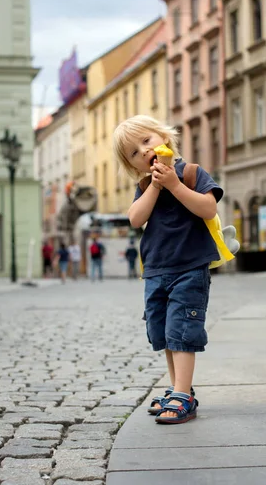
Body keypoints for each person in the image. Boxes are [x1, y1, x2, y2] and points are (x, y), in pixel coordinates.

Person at [113, 115, 223, 425]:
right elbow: (136, 218)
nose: (144, 151)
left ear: (164, 138)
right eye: (135, 152)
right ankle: (178, 389)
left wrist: (173, 184)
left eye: (146, 141)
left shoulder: (191, 173)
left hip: (189, 266)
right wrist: (154, 187)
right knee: (164, 333)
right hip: (157, 270)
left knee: (182, 331)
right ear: (134, 166)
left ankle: (183, 395)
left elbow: (207, 208)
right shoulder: (145, 185)